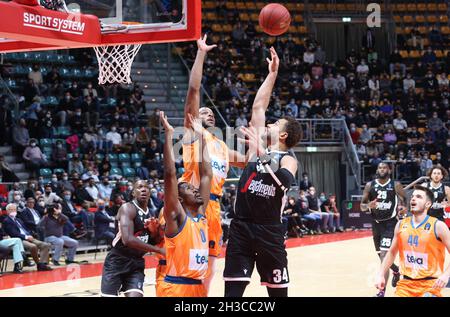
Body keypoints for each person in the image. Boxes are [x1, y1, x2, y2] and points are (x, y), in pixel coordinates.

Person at [224, 48, 302, 297]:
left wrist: (261, 152)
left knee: (278, 295)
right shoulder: (259, 145)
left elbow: (285, 181)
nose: (269, 123)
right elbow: (259, 106)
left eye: (275, 124)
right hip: (241, 228)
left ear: (283, 135)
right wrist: (272, 74)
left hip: (270, 230)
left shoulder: (289, 159)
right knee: (232, 294)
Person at [179, 34, 246, 294]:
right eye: (202, 111)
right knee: (188, 263)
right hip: (192, 202)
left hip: (215, 209)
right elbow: (194, 90)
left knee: (209, 267)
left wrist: (267, 144)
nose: (205, 113)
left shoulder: (222, 147)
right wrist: (201, 53)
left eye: (209, 112)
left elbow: (250, 162)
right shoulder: (192, 133)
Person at [157, 111, 212, 297]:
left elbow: (206, 175)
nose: (195, 189)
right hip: (176, 288)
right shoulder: (176, 217)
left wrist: (203, 137)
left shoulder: (201, 214)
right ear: (179, 199)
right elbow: (169, 175)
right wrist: (169, 134)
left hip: (198, 286)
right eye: (189, 188)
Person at [375, 186, 450, 297]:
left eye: (419, 197)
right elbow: (391, 252)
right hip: (405, 284)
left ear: (428, 204)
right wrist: (381, 274)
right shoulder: (401, 224)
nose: (413, 199)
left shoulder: (438, 226)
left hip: (429, 285)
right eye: (413, 196)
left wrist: (446, 275)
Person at [100, 180, 164, 297]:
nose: (144, 189)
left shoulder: (151, 213)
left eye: (146, 187)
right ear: (134, 193)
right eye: (140, 187)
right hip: (117, 260)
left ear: (150, 192)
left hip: (136, 262)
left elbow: (154, 241)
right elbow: (128, 240)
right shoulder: (127, 208)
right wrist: (158, 250)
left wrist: (156, 232)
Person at [361, 162, 407, 297]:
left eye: (384, 167)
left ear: (389, 170)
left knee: (384, 256)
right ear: (377, 170)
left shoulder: (395, 185)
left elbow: (405, 199)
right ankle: (396, 270)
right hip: (376, 225)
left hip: (390, 224)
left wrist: (404, 208)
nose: (382, 169)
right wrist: (369, 205)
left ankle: (381, 291)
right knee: (382, 256)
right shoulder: (370, 185)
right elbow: (362, 207)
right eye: (380, 167)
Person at [2, 203, 52, 271]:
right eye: (11, 209)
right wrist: (26, 237)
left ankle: (43, 264)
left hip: (27, 236)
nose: (13, 211)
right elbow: (13, 234)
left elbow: (25, 229)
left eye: (14, 209)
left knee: (45, 245)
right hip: (19, 239)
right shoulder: (6, 221)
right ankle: (39, 264)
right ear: (7, 211)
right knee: (33, 246)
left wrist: (29, 235)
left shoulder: (18, 219)